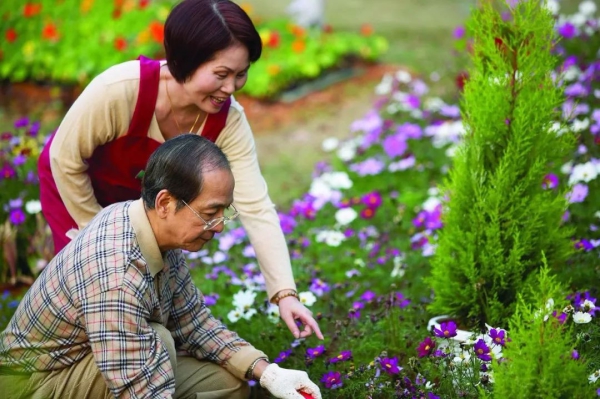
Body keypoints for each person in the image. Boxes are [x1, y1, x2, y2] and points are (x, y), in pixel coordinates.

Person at [37, 0, 322, 340]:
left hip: (145, 206)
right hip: (77, 190)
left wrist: (284, 294)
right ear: (184, 61)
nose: (231, 88)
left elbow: (256, 206)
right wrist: (100, 238)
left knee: (146, 298)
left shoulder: (227, 121)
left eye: (241, 74)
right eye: (221, 74)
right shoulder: (120, 90)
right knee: (95, 290)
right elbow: (64, 159)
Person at [0, 135, 322, 399]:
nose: (220, 226)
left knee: (230, 385)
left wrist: (269, 373)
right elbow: (136, 388)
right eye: (211, 212)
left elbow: (192, 321)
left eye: (225, 211)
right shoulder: (116, 274)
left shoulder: (153, 227)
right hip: (34, 384)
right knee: (160, 340)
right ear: (166, 203)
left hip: (102, 360)